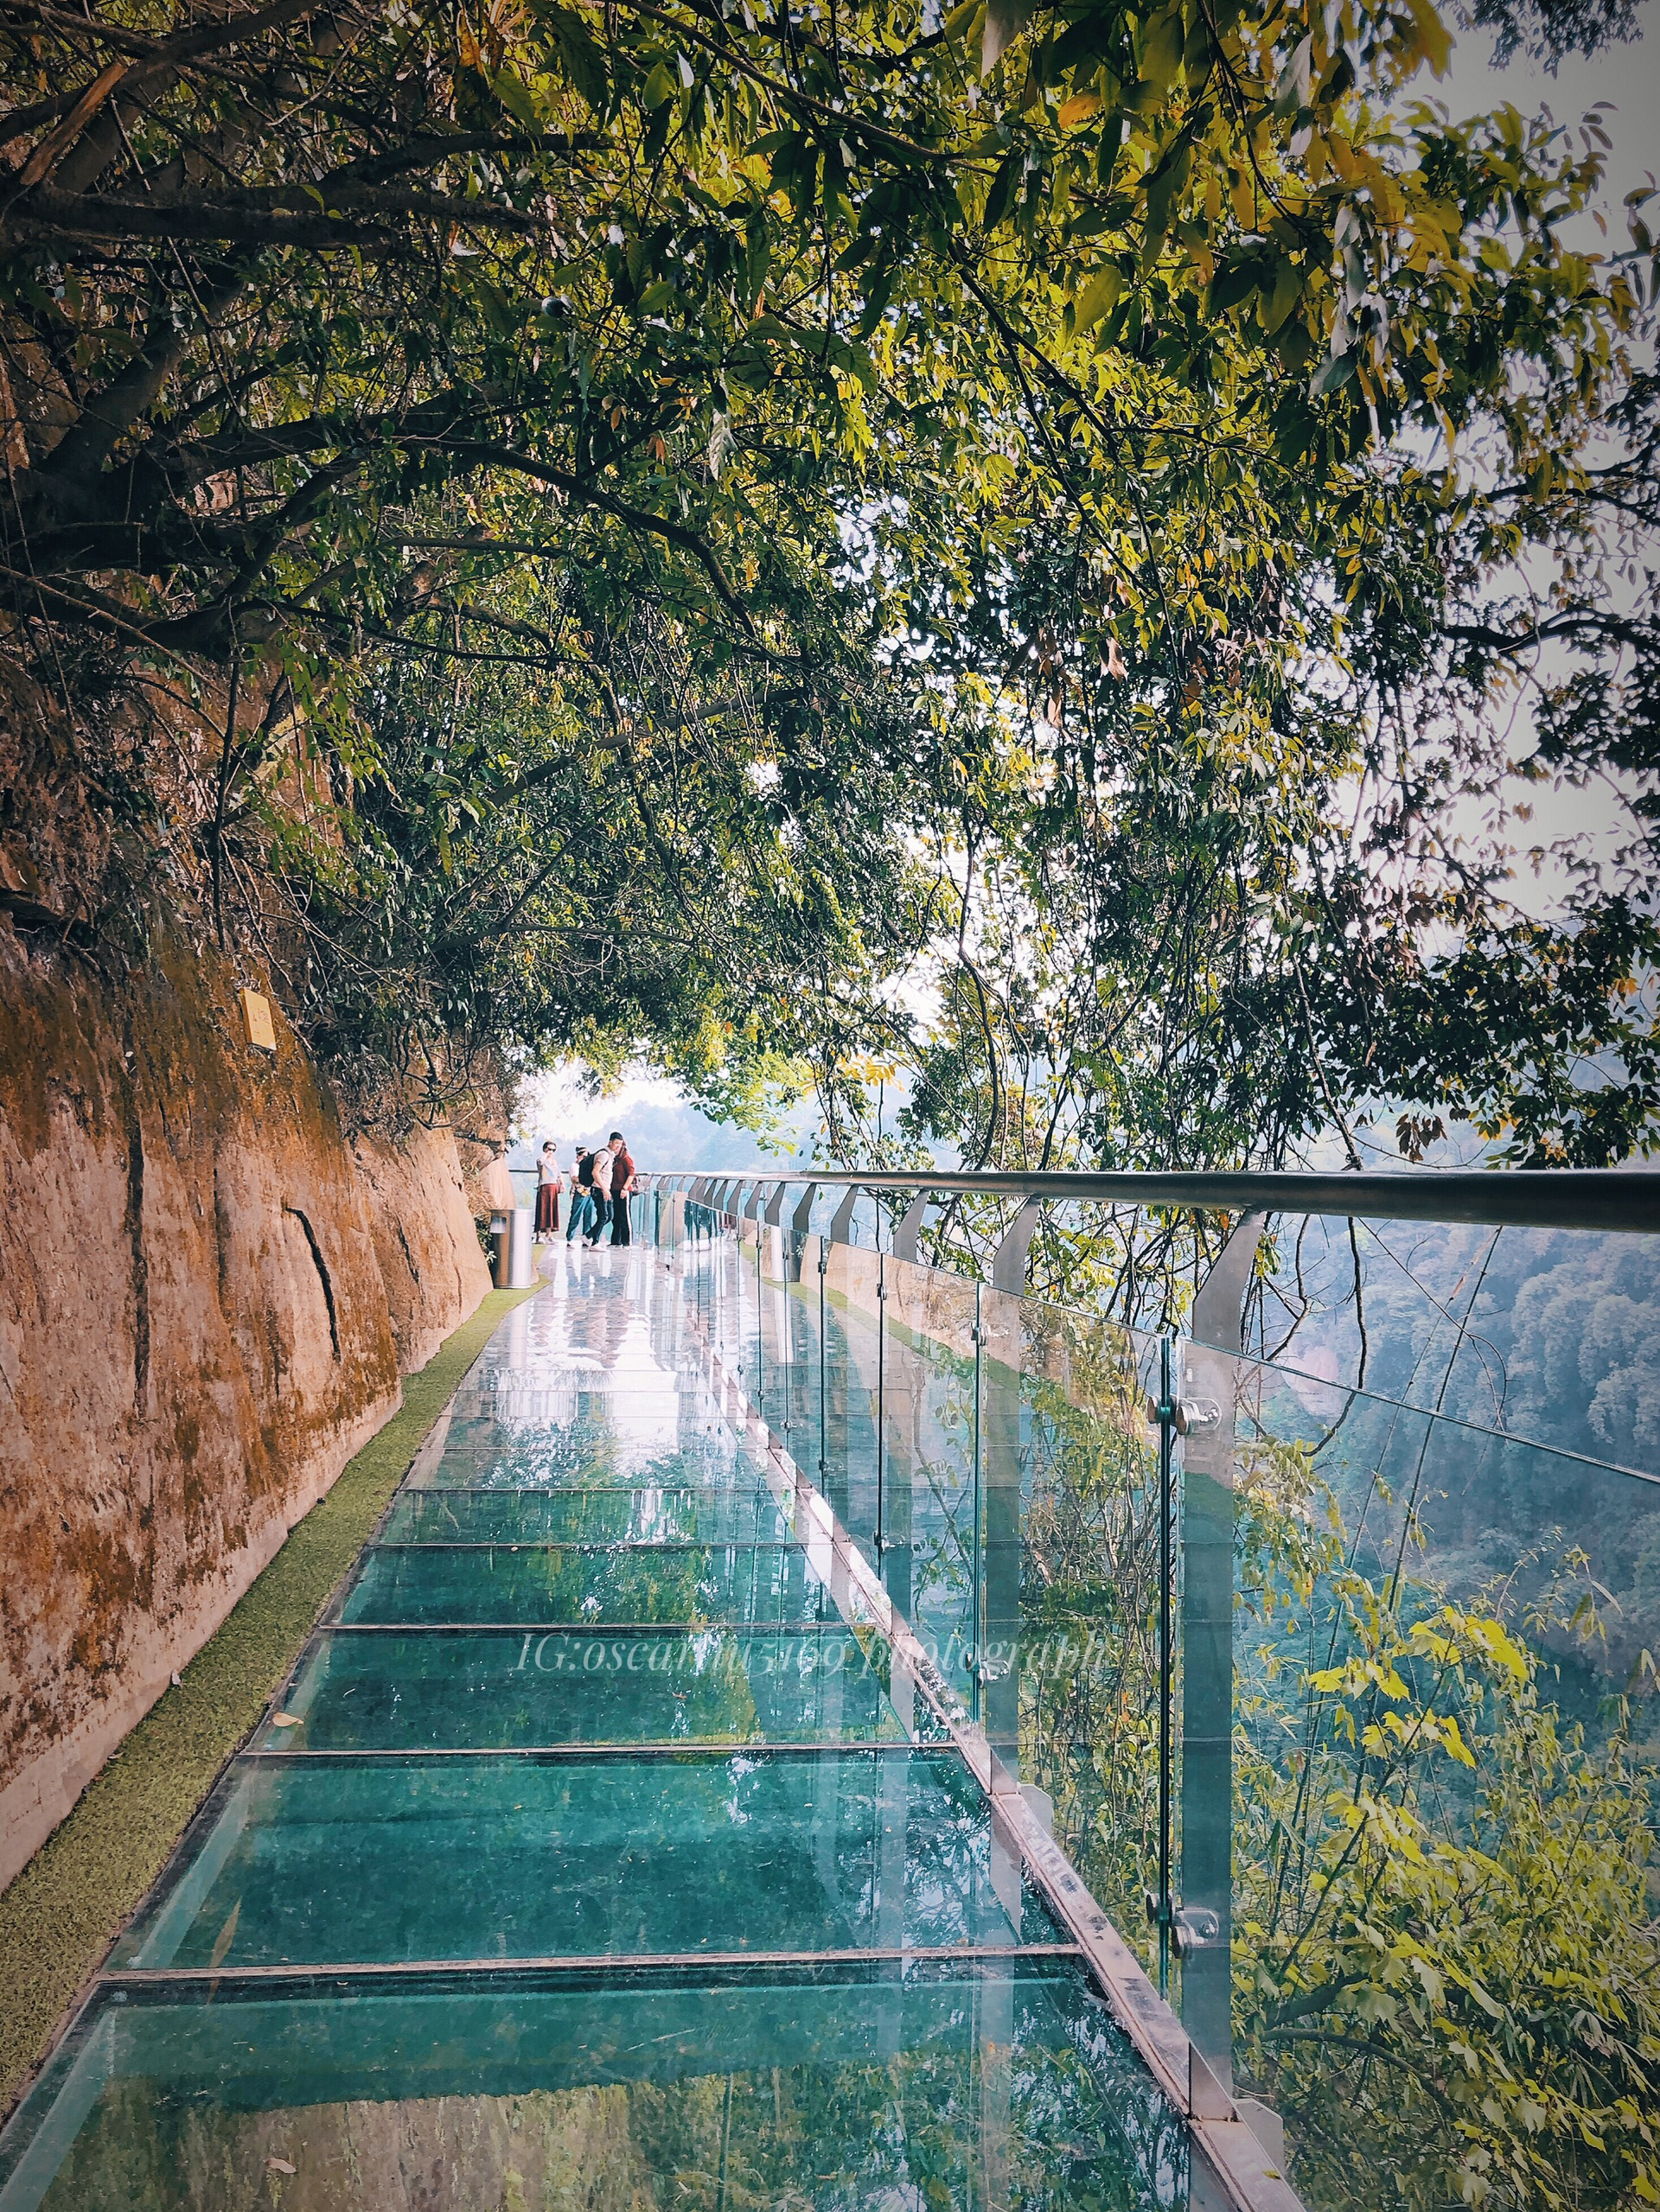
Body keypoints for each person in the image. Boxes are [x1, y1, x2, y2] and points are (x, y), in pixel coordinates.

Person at [608, 1131, 635, 1246]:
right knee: (615, 1216)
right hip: (613, 1190)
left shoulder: (626, 1159)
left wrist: (625, 1188)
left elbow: (631, 1174)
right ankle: (616, 1241)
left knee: (624, 1216)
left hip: (623, 1190)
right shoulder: (613, 1158)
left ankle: (627, 1241)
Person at [585, 1138, 614, 1247]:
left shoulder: (610, 1155)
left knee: (609, 1216)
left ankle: (588, 1235)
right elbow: (595, 1172)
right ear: (610, 1142)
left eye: (620, 1144)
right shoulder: (604, 1155)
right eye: (616, 1143)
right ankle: (595, 1242)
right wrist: (604, 1188)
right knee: (603, 1216)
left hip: (606, 1189)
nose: (618, 1146)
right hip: (599, 1189)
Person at [565, 1147, 595, 1244]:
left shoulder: (589, 1166)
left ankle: (586, 1238)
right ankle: (570, 1238)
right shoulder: (574, 1166)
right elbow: (575, 1178)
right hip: (579, 1192)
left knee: (588, 1216)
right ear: (578, 1156)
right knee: (576, 1215)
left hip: (589, 1192)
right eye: (584, 1156)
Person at [534, 1139, 562, 1240]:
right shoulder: (542, 1160)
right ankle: (538, 1235)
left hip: (553, 1186)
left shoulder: (554, 1162)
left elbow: (558, 1174)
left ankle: (549, 1234)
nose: (551, 1152)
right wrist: (546, 1155)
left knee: (552, 1210)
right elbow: (540, 1162)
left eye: (553, 1150)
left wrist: (561, 1184)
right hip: (544, 1186)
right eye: (549, 1149)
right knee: (542, 1209)